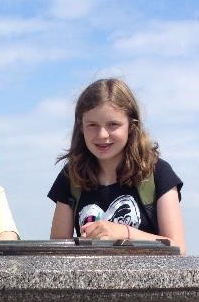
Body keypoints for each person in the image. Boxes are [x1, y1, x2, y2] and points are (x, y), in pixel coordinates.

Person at [47, 78, 186, 253]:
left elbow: (178, 247)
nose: (102, 134)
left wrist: (123, 233)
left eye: (113, 125)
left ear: (131, 126)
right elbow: (57, 251)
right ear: (80, 127)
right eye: (92, 125)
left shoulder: (158, 173)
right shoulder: (71, 176)